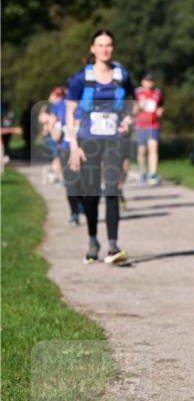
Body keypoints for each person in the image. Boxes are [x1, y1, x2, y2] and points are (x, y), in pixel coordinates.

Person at [66, 30, 135, 264]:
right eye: (100, 45)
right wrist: (74, 145)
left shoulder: (122, 75)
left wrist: (128, 119)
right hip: (88, 140)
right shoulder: (80, 79)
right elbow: (70, 112)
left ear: (112, 48)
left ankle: (113, 246)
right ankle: (93, 239)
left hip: (114, 139)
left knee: (113, 188)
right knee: (91, 193)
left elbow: (131, 103)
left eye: (108, 45)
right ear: (92, 49)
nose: (104, 49)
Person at [48, 84, 84, 225]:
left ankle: (81, 202)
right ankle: (74, 212)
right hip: (65, 148)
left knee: (83, 180)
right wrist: (52, 126)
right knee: (70, 182)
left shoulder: (88, 104)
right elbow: (55, 136)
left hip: (84, 148)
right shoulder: (59, 107)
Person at [134, 73, 164, 185]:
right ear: (142, 82)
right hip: (140, 125)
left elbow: (161, 105)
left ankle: (153, 174)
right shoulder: (137, 93)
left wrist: (160, 111)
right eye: (147, 80)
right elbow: (131, 108)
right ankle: (142, 172)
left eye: (151, 81)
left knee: (153, 148)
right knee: (141, 151)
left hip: (153, 125)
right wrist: (138, 106)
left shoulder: (157, 93)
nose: (149, 83)